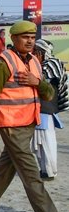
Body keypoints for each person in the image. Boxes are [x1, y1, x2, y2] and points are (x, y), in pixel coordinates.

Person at [0, 20, 69, 212]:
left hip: (27, 124)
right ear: (14, 39)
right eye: (24, 36)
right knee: (31, 175)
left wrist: (36, 82)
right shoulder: (2, 64)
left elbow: (48, 93)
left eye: (32, 36)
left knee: (5, 169)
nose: (29, 40)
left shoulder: (35, 63)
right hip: (11, 127)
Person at [31, 39, 67, 180]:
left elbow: (42, 84)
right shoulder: (52, 63)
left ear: (40, 53)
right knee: (42, 143)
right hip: (45, 109)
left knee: (45, 142)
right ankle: (46, 170)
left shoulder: (49, 65)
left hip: (45, 109)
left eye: (35, 52)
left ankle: (49, 171)